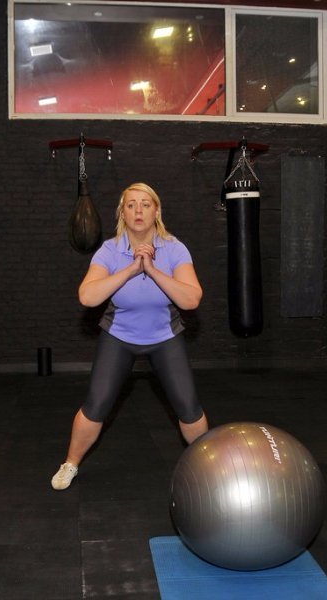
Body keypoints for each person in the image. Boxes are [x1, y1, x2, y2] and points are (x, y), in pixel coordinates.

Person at [51, 182, 209, 490]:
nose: (138, 210)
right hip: (119, 336)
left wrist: (152, 269)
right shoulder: (110, 250)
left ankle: (207, 468)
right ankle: (70, 463)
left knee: (189, 408)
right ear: (122, 212)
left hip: (164, 336)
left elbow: (191, 300)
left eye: (146, 204)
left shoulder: (174, 248)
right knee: (96, 405)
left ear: (156, 212)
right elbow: (87, 296)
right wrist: (132, 269)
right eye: (131, 204)